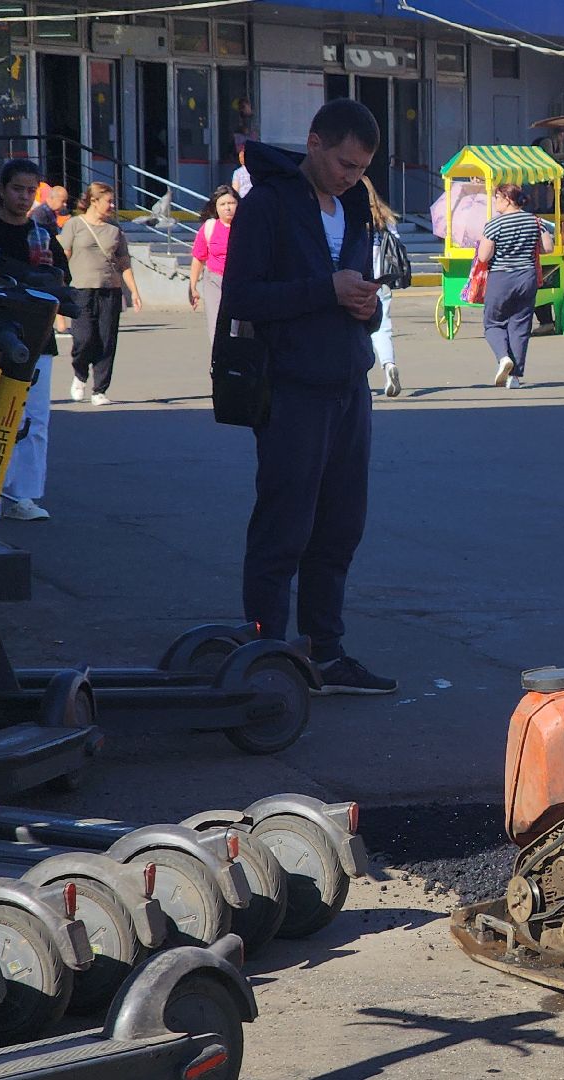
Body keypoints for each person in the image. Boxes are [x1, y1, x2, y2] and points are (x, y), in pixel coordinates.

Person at [222, 98, 397, 694]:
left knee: (340, 527)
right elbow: (243, 297)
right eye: (345, 163)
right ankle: (267, 653)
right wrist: (327, 290)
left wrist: (365, 305)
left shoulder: (351, 205)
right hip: (291, 389)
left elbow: (348, 295)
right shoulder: (266, 204)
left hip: (349, 384)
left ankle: (326, 650)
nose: (352, 177)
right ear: (314, 142)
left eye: (362, 168)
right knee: (284, 527)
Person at [0, 158, 69, 522]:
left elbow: (62, 283)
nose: (24, 197)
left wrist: (48, 270)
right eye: (17, 189)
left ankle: (23, 494)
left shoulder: (42, 235)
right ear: (1, 191)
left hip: (36, 337)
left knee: (33, 419)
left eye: (30, 190)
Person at [58, 182, 144, 406]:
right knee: (84, 338)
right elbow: (63, 255)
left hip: (110, 290)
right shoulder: (74, 225)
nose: (112, 205)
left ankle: (99, 390)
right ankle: (79, 374)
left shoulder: (114, 229)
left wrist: (134, 291)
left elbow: (125, 263)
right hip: (81, 289)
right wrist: (58, 284)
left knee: (106, 341)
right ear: (94, 201)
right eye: (109, 201)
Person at [476, 182, 553, 389]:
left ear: (508, 199)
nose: (496, 203)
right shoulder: (536, 222)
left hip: (501, 278)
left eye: (498, 199)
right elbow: (548, 248)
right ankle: (515, 378)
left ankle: (503, 358)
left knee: (493, 323)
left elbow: (484, 255)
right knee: (520, 326)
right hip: (527, 277)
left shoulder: (494, 224)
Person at [360, 177, 403, 398]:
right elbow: (396, 243)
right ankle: (389, 365)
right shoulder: (385, 217)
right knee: (383, 327)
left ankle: (362, 376)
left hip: (360, 280)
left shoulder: (352, 214)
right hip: (382, 280)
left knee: (359, 330)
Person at [189, 185, 238, 343]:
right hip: (214, 281)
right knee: (217, 326)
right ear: (215, 208)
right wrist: (193, 287)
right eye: (222, 204)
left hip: (239, 282)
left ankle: (236, 364)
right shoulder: (209, 228)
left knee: (236, 328)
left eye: (231, 203)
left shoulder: (247, 227)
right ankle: (219, 363)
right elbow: (198, 258)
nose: (227, 208)